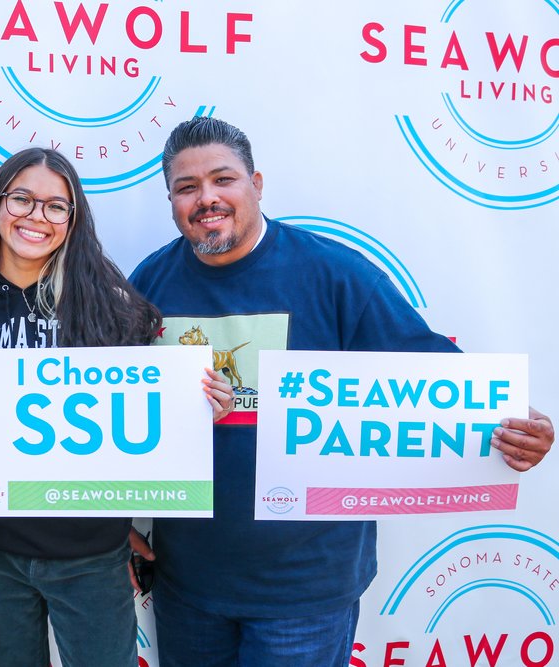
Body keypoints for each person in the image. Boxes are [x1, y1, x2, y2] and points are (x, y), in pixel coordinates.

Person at [127, 116, 556, 667]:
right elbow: (117, 411)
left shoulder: (335, 273)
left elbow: (433, 377)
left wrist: (513, 425)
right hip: (189, 583)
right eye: (187, 187)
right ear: (171, 200)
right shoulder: (150, 284)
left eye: (223, 179)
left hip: (305, 591)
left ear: (256, 184)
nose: (206, 198)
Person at [0, 148, 218, 667]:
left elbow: (142, 416)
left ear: (72, 219)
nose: (37, 216)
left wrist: (197, 409)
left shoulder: (110, 308)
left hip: (91, 550)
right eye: (22, 198)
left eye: (55, 206)